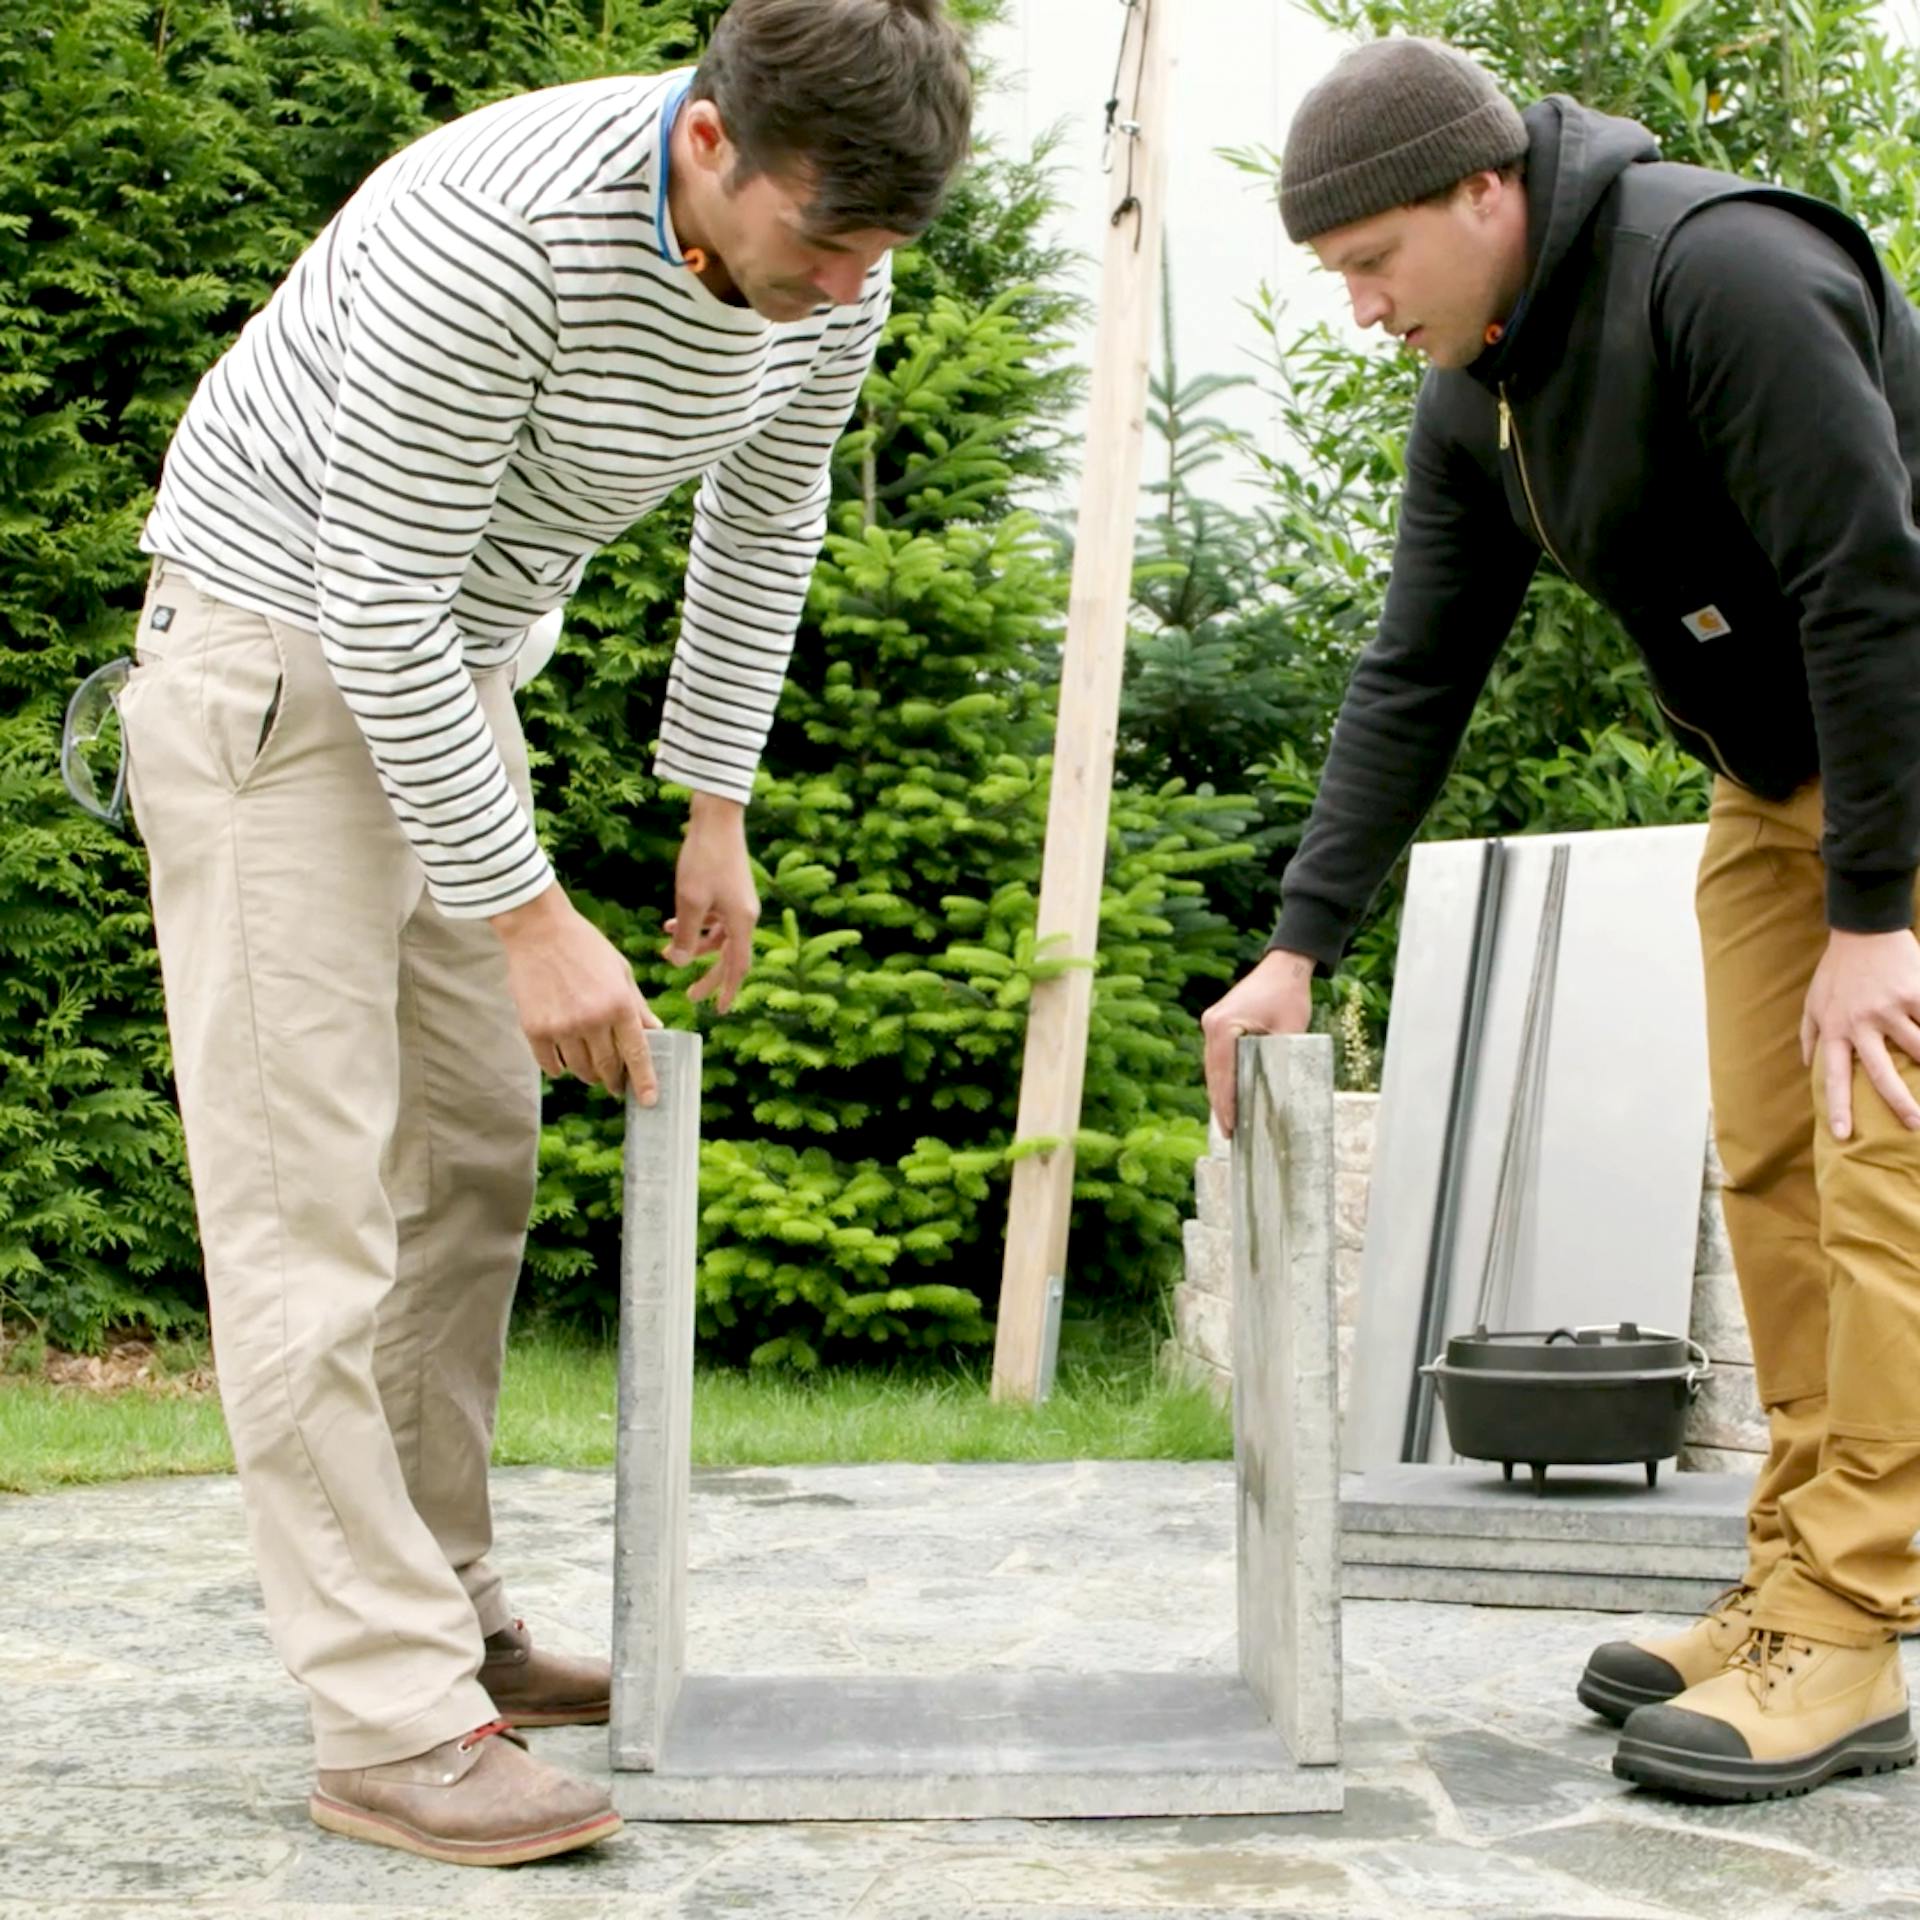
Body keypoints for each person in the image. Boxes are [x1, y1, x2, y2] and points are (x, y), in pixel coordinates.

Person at [117, 0, 971, 1865]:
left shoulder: (842, 263)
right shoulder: (491, 235)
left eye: (878, 256)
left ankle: (446, 1605)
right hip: (277, 662)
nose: (843, 294)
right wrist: (527, 921)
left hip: (446, 676)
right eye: (821, 244)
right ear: (712, 147)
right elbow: (377, 589)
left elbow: (771, 508)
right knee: (310, 1210)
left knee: (473, 1165)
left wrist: (714, 804)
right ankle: (388, 1714)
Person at [1202, 35, 1920, 1802]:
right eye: (1332, 279)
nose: (1362, 307)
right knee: (1766, 1167)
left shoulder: (1721, 273)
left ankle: (1851, 1620)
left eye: (1373, 263)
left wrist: (1879, 914)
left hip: (1903, 765)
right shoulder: (1484, 395)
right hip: (1768, 787)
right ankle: (1788, 1585)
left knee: (1880, 1173)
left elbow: (1868, 579)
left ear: (1483, 190)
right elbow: (1415, 672)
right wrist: (1301, 945)